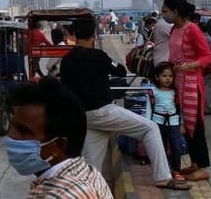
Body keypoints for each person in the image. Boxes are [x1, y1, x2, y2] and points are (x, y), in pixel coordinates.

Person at [59, 19, 188, 191]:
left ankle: (87, 191)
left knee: (92, 165)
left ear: (74, 35)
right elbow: (119, 70)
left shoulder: (66, 60)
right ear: (93, 35)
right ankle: (163, 177)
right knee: (150, 128)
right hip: (103, 111)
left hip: (83, 116)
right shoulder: (98, 56)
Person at [5, 79, 112, 198]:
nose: (10, 137)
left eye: (24, 131)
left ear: (59, 145)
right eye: (12, 127)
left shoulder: (62, 196)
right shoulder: (85, 172)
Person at [162, 0, 211, 182]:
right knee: (186, 125)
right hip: (179, 83)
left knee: (196, 126)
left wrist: (189, 66)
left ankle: (203, 166)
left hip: (192, 84)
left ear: (176, 12)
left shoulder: (192, 29)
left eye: (165, 11)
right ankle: (194, 163)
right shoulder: (174, 29)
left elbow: (207, 56)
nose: (163, 15)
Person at [150, 63, 185, 180]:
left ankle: (176, 170)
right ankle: (163, 171)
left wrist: (182, 123)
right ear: (157, 77)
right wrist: (148, 124)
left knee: (177, 146)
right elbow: (149, 108)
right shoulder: (152, 91)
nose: (168, 78)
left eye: (170, 76)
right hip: (157, 123)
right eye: (164, 76)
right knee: (161, 147)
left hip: (174, 123)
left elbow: (181, 108)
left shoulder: (175, 92)